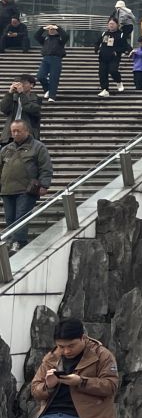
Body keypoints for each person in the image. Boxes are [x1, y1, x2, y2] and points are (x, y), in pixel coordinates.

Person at [0, 120, 52, 250]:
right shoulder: (6, 149)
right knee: (10, 217)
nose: (16, 133)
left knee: (21, 216)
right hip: (7, 190)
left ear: (26, 131)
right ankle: (11, 240)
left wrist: (45, 184)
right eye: (13, 131)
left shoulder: (38, 147)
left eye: (19, 131)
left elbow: (45, 167)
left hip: (26, 190)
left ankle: (20, 242)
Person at [94, 19, 129, 96]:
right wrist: (97, 49)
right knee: (102, 73)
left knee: (113, 70)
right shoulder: (104, 33)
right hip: (103, 57)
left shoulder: (121, 34)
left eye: (113, 24)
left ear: (117, 25)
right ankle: (105, 89)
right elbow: (97, 42)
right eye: (110, 24)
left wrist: (117, 51)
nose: (111, 25)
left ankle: (118, 81)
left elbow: (124, 46)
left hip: (114, 58)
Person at [35, 24, 68, 101]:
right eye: (50, 29)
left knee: (53, 78)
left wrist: (58, 28)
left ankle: (52, 96)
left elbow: (66, 36)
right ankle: (47, 90)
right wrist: (43, 28)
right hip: (46, 58)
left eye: (53, 29)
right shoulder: (45, 39)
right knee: (40, 76)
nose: (51, 30)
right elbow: (36, 36)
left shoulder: (60, 39)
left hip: (56, 59)